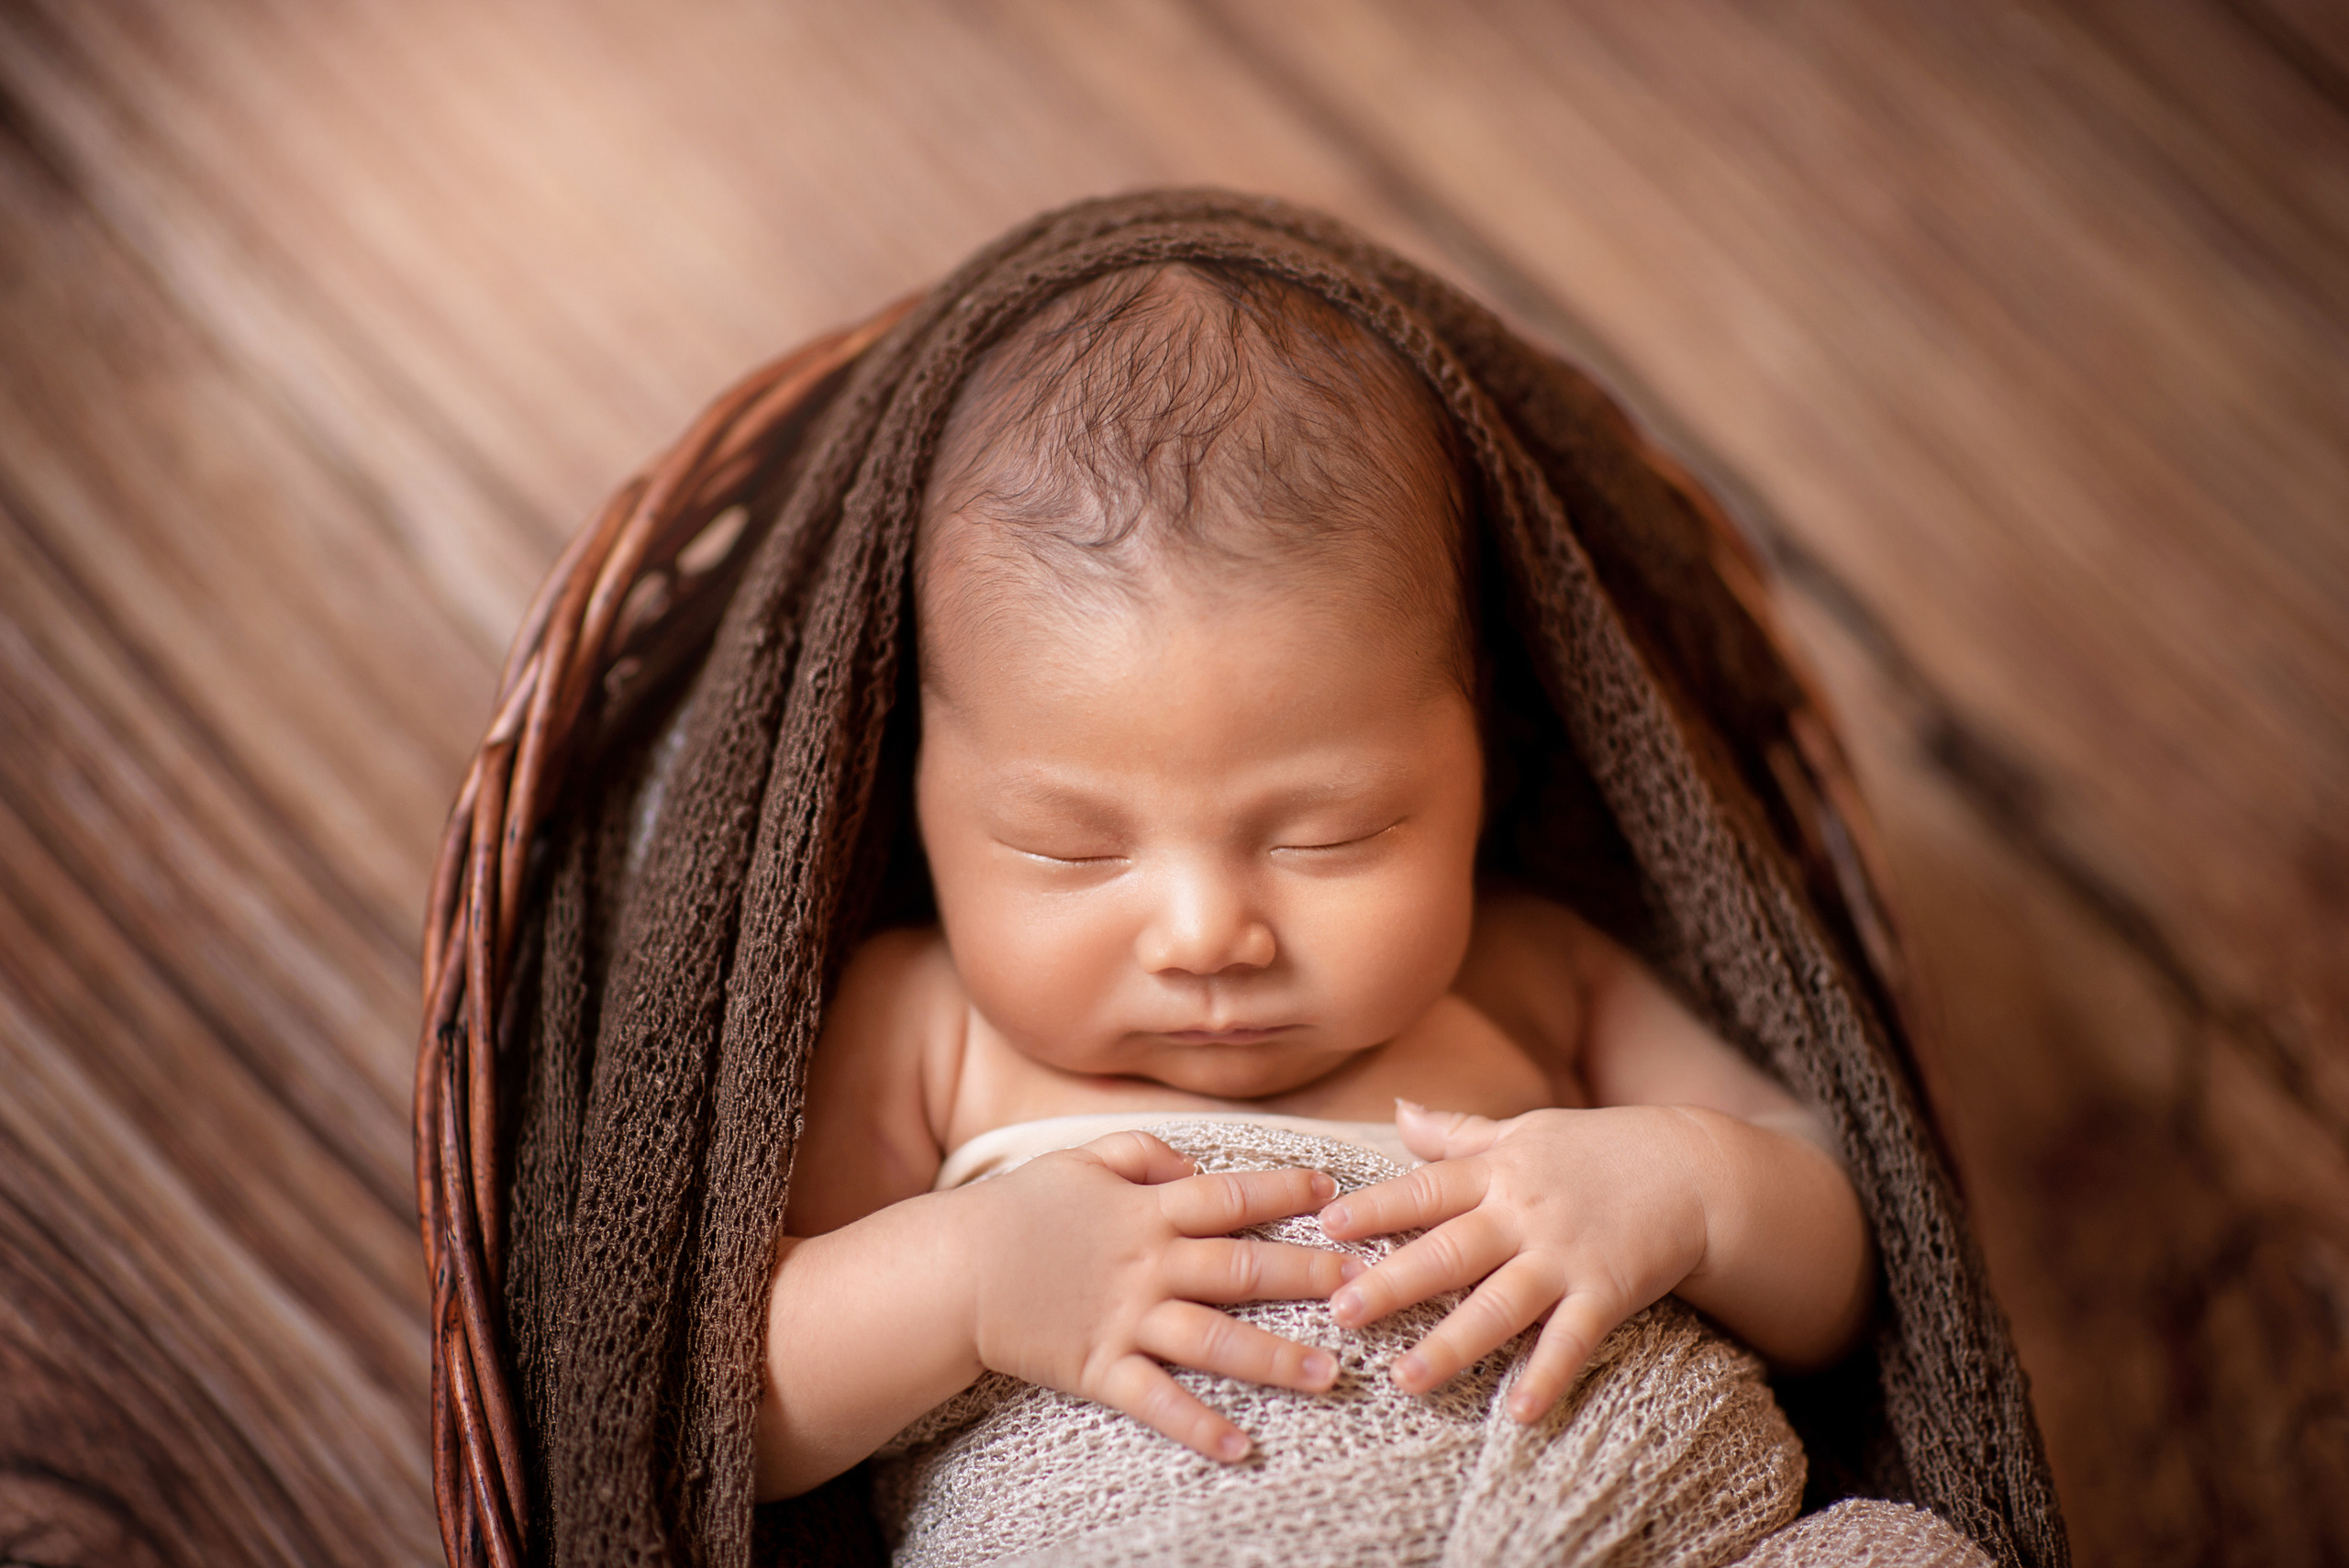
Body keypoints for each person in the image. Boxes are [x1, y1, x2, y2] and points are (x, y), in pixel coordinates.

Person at [751, 261, 1873, 1506]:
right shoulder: (924, 1023)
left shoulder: (1533, 975)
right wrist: (968, 1278)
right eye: (1071, 847)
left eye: (1326, 835)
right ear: (915, 791)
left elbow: (1834, 1270)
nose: (1204, 933)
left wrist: (1682, 1185)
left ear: (1484, 761)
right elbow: (743, 1414)